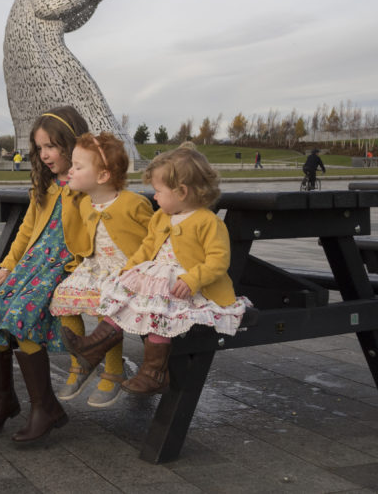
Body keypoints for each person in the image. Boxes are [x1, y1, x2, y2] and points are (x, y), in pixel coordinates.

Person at [63, 147, 251, 395]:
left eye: (159, 192)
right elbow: (147, 247)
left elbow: (218, 260)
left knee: (158, 313)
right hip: (156, 280)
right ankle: (93, 347)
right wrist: (129, 269)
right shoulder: (162, 217)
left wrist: (193, 279)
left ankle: (154, 373)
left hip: (186, 288)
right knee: (123, 299)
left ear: (182, 192)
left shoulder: (207, 222)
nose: (154, 198)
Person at [0, 106, 89, 442]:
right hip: (31, 266)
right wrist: (7, 266)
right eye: (40, 148)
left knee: (21, 316)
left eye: (52, 146)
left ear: (73, 144)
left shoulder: (86, 185)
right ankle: (4, 400)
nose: (45, 154)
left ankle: (45, 407)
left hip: (62, 266)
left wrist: (82, 270)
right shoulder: (46, 185)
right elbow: (26, 230)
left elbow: (99, 232)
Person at [48, 132, 153, 408]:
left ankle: (113, 371)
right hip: (95, 266)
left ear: (103, 176)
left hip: (126, 269)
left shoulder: (133, 203)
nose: (71, 170)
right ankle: (80, 363)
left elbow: (155, 237)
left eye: (78, 167)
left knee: (107, 306)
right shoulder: (82, 202)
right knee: (64, 297)